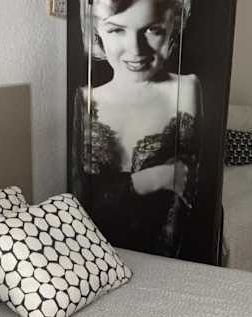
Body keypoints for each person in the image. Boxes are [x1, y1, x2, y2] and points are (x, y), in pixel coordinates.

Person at [71, 0, 203, 258]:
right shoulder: (84, 100)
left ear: (173, 26)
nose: (135, 49)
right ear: (97, 30)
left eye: (153, 30)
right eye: (116, 30)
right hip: (94, 255)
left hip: (167, 259)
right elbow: (80, 201)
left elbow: (189, 194)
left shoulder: (186, 89)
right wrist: (155, 178)